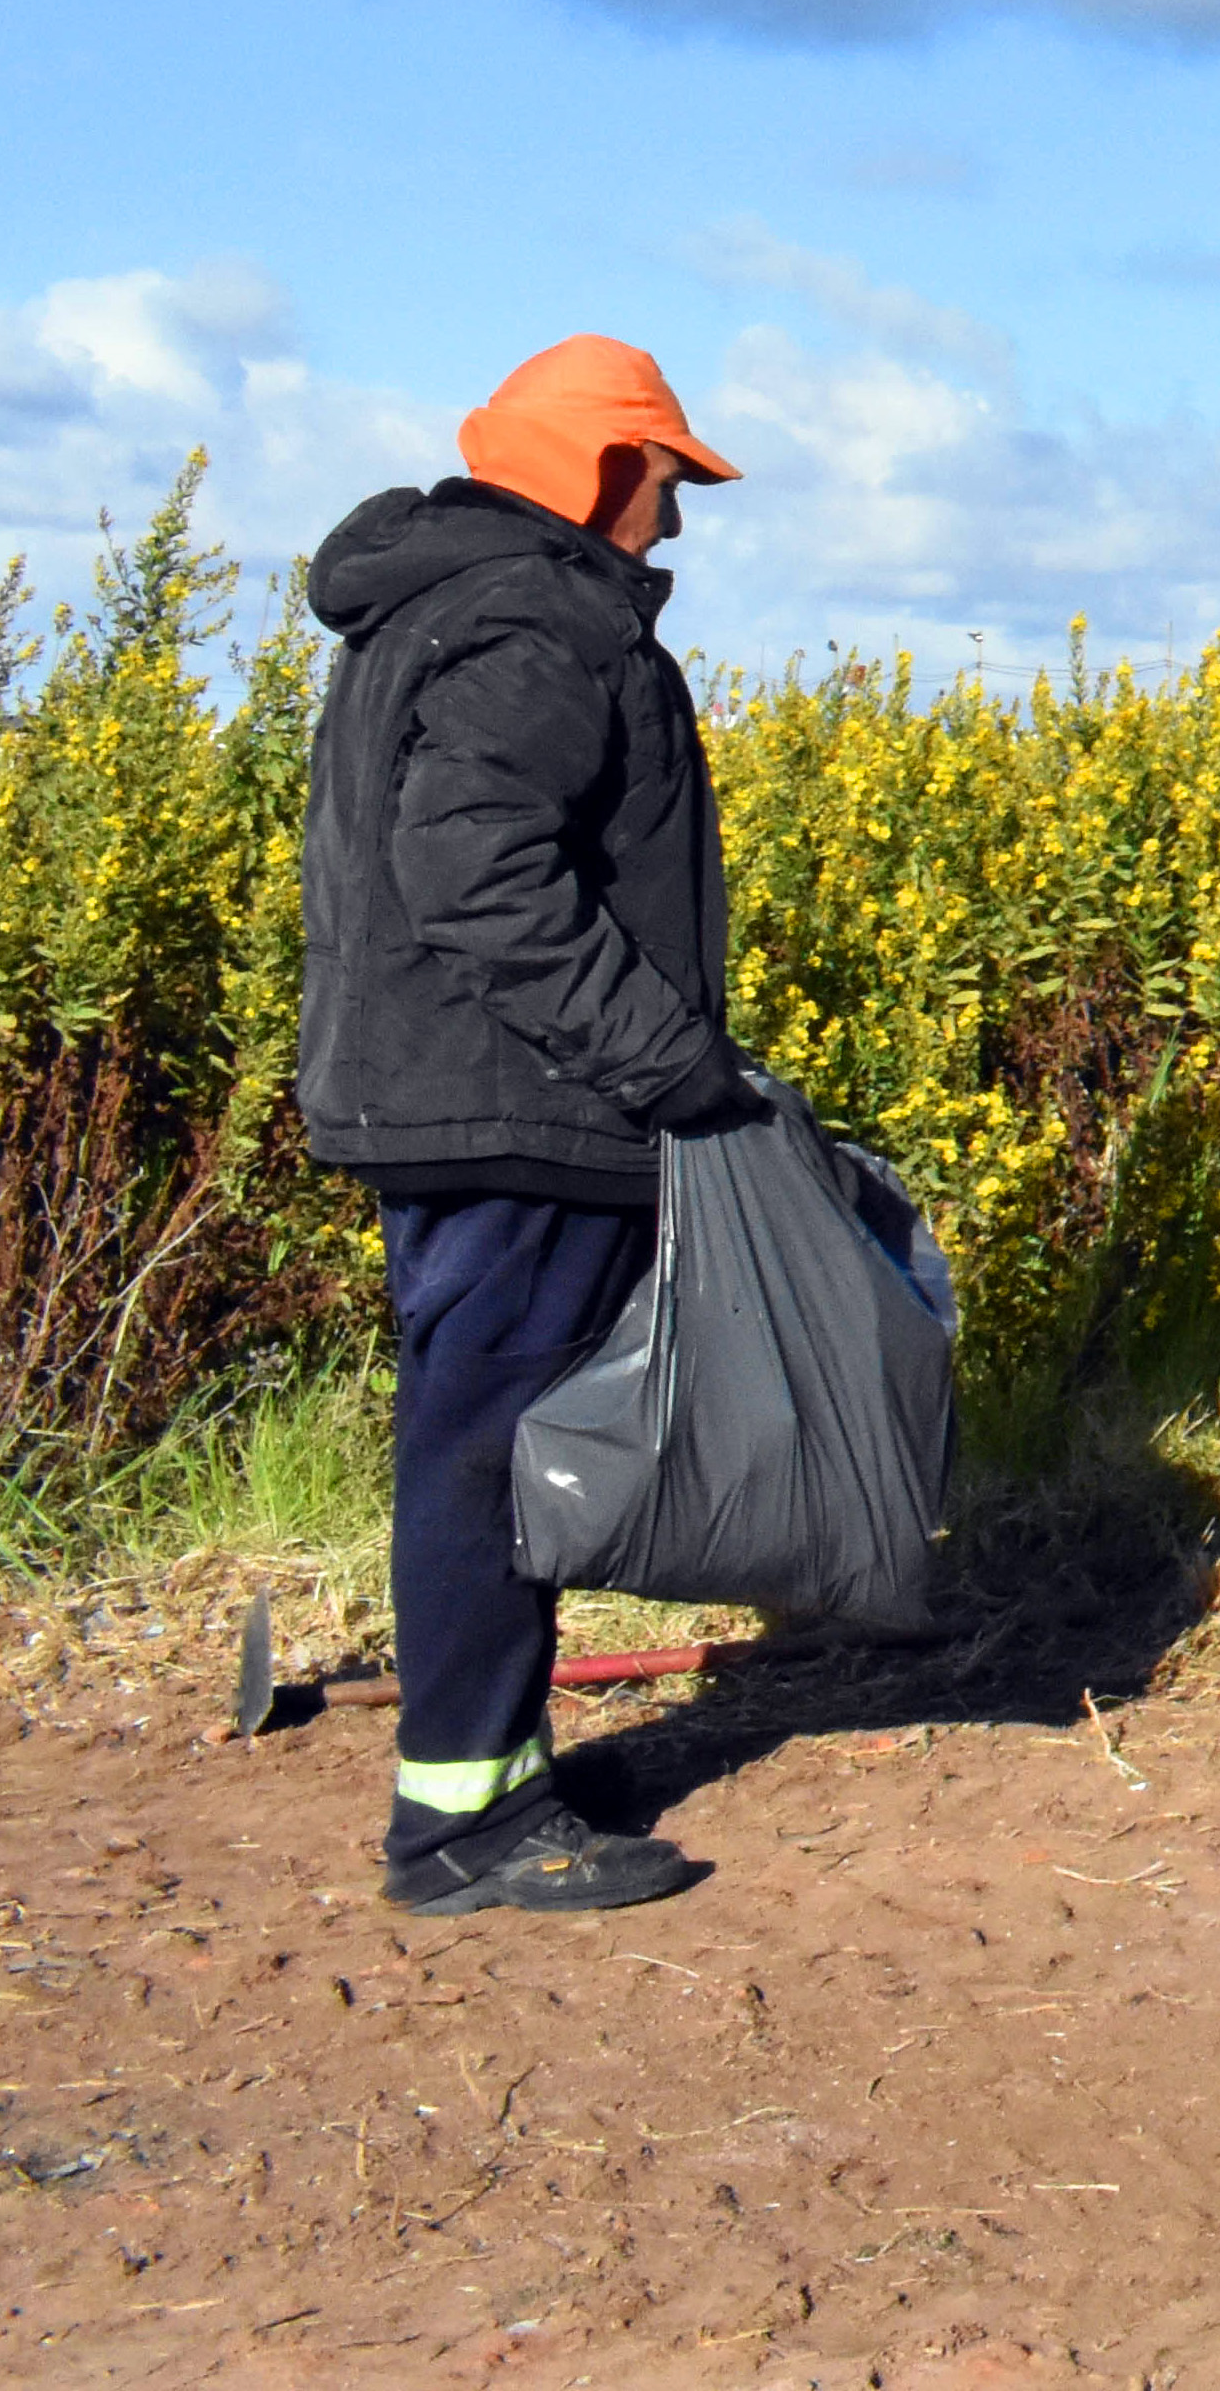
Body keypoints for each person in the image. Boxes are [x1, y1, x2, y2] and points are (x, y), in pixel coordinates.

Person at [297, 338, 764, 1914]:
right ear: (599, 465)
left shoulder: (436, 605)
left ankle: (490, 1779)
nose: (677, 523)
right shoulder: (540, 622)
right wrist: (664, 1062)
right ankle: (465, 1830)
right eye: (665, 480)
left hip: (455, 1094)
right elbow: (477, 869)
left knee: (479, 1448)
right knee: (494, 1461)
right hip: (521, 1104)